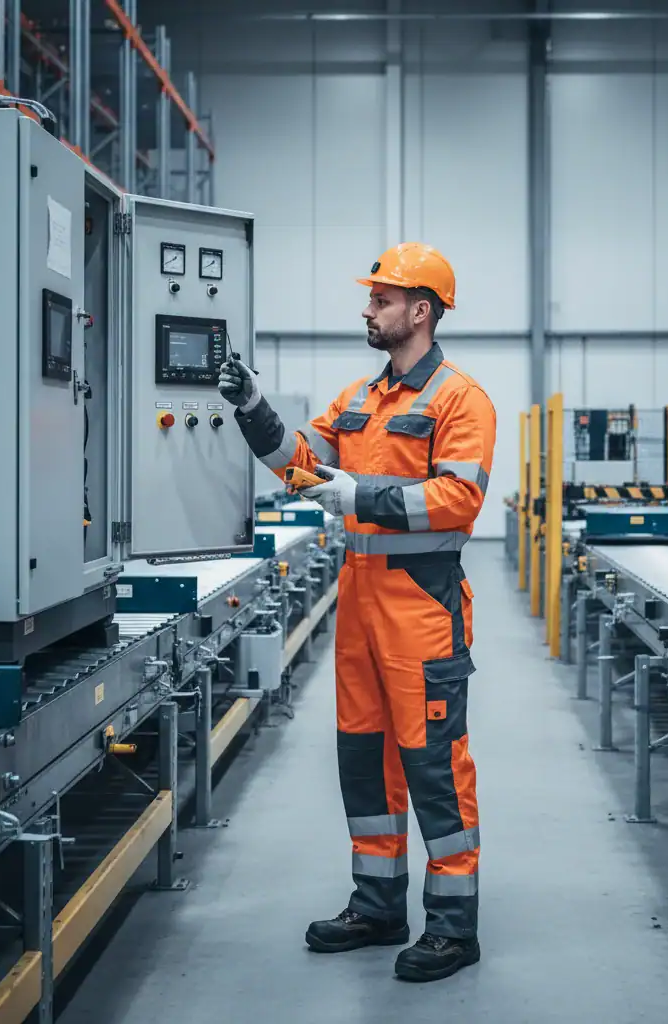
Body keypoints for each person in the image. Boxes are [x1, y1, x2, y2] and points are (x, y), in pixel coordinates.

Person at [218, 243, 496, 983]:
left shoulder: (460, 400)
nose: (368, 309)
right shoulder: (359, 400)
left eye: (381, 299)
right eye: (370, 298)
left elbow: (459, 501)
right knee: (365, 763)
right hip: (362, 604)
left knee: (434, 766)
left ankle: (453, 926)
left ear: (421, 310)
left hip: (424, 605)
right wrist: (253, 408)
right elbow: (300, 461)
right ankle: (377, 906)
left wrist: (356, 497)